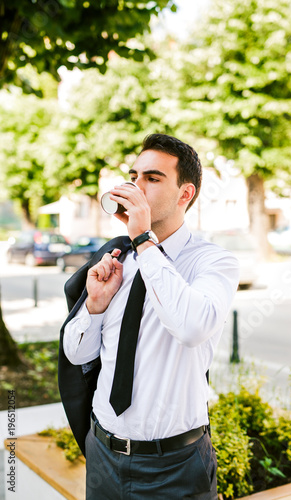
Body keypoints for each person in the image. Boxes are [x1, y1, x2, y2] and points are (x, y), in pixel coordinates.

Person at [58, 133, 239, 500]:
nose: (136, 187)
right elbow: (77, 356)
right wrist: (94, 306)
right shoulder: (116, 256)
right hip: (103, 454)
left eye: (152, 179)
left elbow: (191, 327)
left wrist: (144, 238)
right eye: (134, 176)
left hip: (174, 466)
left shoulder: (213, 262)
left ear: (185, 194)